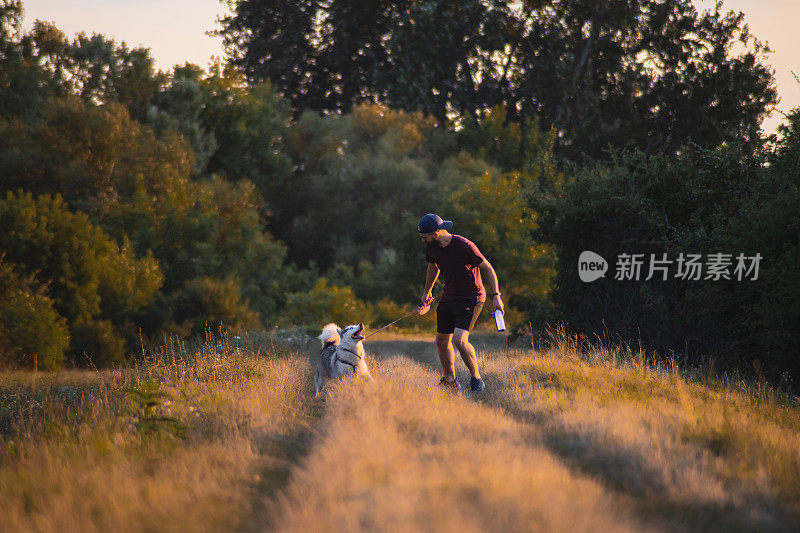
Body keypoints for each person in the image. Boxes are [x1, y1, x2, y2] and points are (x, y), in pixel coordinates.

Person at [416, 213, 504, 392]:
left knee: (459, 339)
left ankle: (476, 378)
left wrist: (496, 295)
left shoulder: (465, 246)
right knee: (441, 339)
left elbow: (488, 268)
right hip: (449, 296)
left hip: (472, 297)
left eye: (425, 237)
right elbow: (433, 266)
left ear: (436, 234)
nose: (423, 241)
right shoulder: (431, 247)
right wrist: (427, 290)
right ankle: (450, 380)